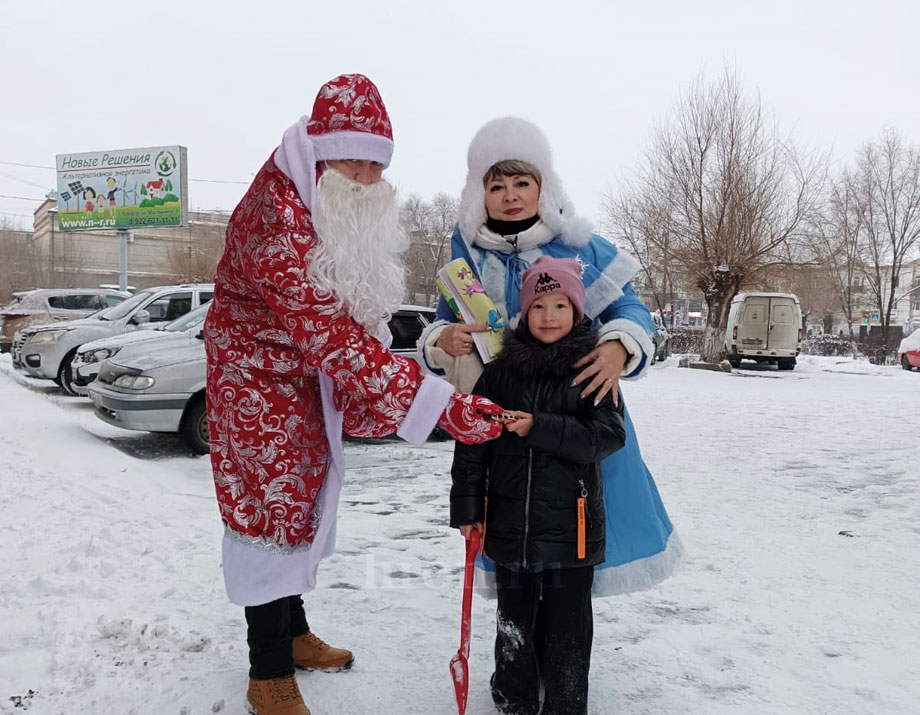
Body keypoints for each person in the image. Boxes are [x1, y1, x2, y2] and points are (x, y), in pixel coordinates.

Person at [203, 74, 503, 715]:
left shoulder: (321, 199)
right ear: (319, 149)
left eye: (377, 163)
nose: (367, 177)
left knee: (302, 506)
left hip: (301, 378)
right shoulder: (275, 219)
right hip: (254, 381)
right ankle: (267, 674)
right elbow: (335, 340)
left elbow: (350, 328)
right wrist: (440, 408)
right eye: (353, 159)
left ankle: (292, 631)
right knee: (270, 512)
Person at [420, 116, 682, 597]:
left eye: (523, 182)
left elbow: (629, 307)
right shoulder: (468, 260)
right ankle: (521, 640)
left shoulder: (580, 248)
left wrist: (618, 344)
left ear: (545, 187)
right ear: (480, 195)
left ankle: (564, 635)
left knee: (577, 520)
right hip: (505, 415)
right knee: (513, 518)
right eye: (496, 185)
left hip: (576, 406)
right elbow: (441, 321)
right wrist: (443, 339)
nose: (511, 194)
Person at [451, 256, 626, 714]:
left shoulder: (592, 370)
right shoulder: (501, 373)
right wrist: (468, 512)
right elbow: (473, 446)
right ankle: (515, 697)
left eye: (561, 306)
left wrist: (540, 428)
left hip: (574, 527)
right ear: (524, 312)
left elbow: (608, 435)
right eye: (539, 306)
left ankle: (567, 700)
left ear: (577, 311)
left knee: (569, 623)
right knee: (514, 618)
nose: (549, 316)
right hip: (510, 524)